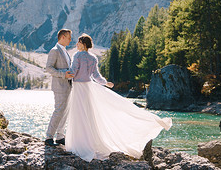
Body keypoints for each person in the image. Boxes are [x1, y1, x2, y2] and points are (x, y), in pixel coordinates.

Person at [65, 33, 172, 162]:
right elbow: (96, 76)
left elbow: (73, 71)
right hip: (88, 88)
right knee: (88, 115)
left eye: (78, 42)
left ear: (83, 44)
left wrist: (63, 74)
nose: (76, 44)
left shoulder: (77, 55)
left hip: (79, 88)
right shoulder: (93, 58)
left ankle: (80, 144)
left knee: (79, 115)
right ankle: (89, 143)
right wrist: (106, 83)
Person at [44, 29, 74, 146]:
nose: (70, 40)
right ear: (62, 37)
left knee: (65, 111)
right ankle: (49, 137)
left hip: (68, 86)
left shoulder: (65, 51)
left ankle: (60, 136)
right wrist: (64, 74)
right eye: (69, 37)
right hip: (60, 87)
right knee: (59, 111)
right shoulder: (54, 51)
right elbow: (49, 68)